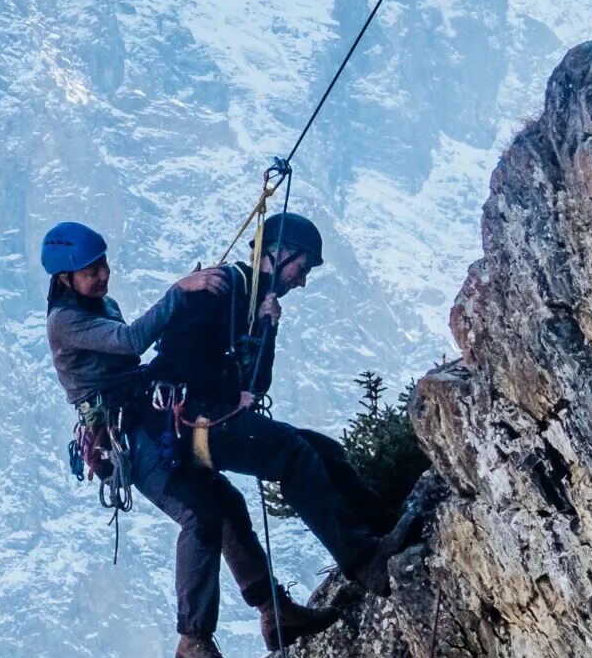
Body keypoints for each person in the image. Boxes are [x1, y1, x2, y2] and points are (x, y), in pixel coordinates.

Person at [40, 221, 331, 658]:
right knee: (198, 514)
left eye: (103, 265)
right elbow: (132, 342)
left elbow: (144, 344)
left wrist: (191, 306)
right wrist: (179, 292)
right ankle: (193, 642)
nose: (103, 276)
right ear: (64, 279)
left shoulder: (100, 305)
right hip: (129, 438)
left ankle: (273, 611)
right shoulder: (66, 322)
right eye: (91, 272)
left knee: (226, 504)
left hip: (146, 419)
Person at [141, 211, 401, 597]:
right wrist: (230, 393)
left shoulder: (255, 299)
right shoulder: (222, 286)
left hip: (200, 422)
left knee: (322, 450)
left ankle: (385, 530)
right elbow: (181, 352)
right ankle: (364, 562)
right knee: (292, 454)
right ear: (279, 253)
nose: (302, 278)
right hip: (185, 423)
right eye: (302, 265)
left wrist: (269, 328)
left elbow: (257, 383)